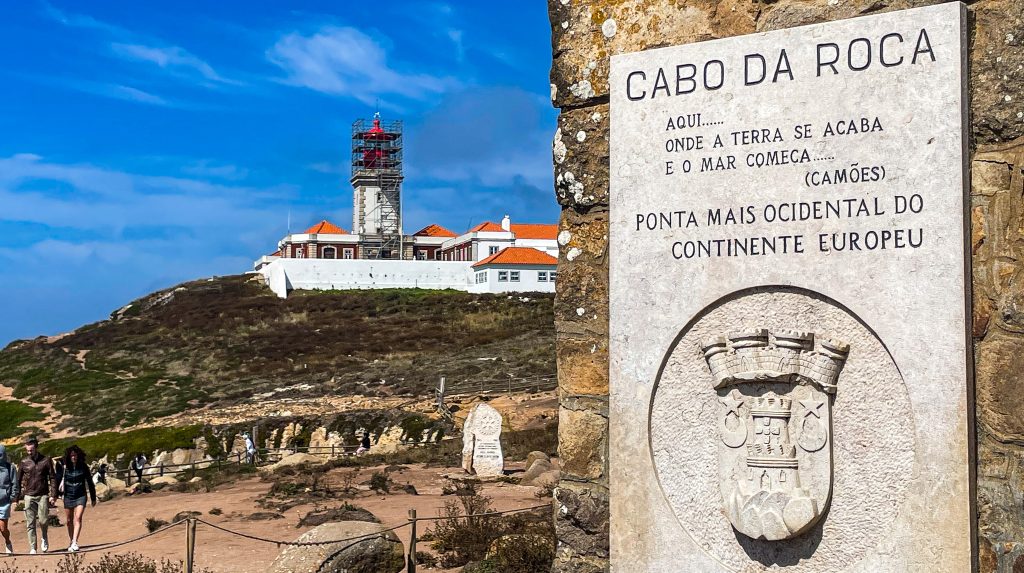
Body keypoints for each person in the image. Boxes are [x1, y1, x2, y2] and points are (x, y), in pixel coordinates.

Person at [17, 436, 57, 554]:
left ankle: (44, 537)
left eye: (31, 450)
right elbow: (18, 480)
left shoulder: (46, 460)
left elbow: (53, 477)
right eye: (28, 450)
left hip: (43, 495)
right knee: (30, 523)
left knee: (43, 520)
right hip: (28, 495)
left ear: (36, 448)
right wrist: (16, 497)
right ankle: (33, 547)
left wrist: (53, 494)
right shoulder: (24, 462)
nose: (29, 452)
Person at [59, 445, 96, 552]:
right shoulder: (65, 467)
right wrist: (56, 495)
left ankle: (75, 541)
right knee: (69, 520)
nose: (73, 457)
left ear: (78, 456)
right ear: (68, 457)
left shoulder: (83, 466)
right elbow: (58, 480)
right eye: (71, 456)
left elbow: (90, 482)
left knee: (78, 517)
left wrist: (93, 497)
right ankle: (71, 540)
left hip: (81, 495)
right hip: (68, 496)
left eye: (75, 455)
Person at [0, 444, 19, 555]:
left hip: (4, 502)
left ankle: (8, 542)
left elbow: (14, 483)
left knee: (3, 528)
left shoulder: (10, 467)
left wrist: (12, 498)